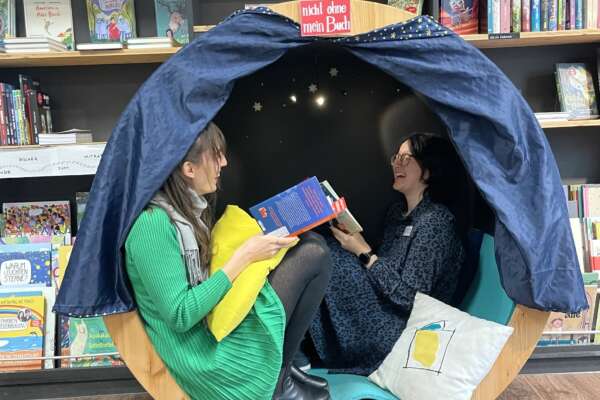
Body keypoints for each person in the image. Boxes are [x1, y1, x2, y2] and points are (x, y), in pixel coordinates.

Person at [124, 122, 332, 400]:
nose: (224, 162)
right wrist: (244, 256)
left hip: (212, 329)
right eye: (216, 155)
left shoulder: (186, 210)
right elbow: (181, 315)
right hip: (205, 358)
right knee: (312, 255)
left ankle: (281, 373)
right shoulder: (152, 224)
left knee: (312, 243)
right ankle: (278, 382)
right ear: (189, 169)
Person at [307, 132, 466, 375]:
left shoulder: (436, 223)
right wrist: (352, 239)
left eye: (407, 158)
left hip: (398, 328)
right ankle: (294, 347)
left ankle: (294, 352)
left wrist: (364, 252)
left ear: (429, 169)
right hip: (380, 306)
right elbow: (383, 271)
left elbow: (411, 299)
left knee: (320, 253)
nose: (397, 164)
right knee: (318, 240)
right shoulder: (396, 213)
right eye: (396, 157)